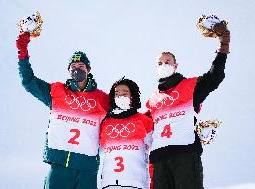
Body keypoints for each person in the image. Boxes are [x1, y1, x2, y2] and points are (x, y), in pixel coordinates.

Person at [16, 32, 110, 189]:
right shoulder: (56, 92)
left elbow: (123, 115)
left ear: (88, 69)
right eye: (73, 67)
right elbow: (29, 81)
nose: (77, 69)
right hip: (60, 164)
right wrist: (22, 49)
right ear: (68, 71)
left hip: (87, 168)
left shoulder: (102, 99)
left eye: (81, 66)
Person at [146, 22, 230, 189]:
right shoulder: (153, 100)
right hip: (159, 159)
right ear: (156, 68)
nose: (164, 65)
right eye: (160, 63)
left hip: (184, 154)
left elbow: (215, 76)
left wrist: (224, 44)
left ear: (176, 66)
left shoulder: (190, 87)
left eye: (168, 61)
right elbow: (140, 126)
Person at [99, 78, 153, 189]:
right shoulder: (104, 123)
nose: (121, 96)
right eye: (117, 93)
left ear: (132, 96)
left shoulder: (145, 121)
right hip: (109, 182)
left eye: (125, 93)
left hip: (136, 183)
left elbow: (156, 150)